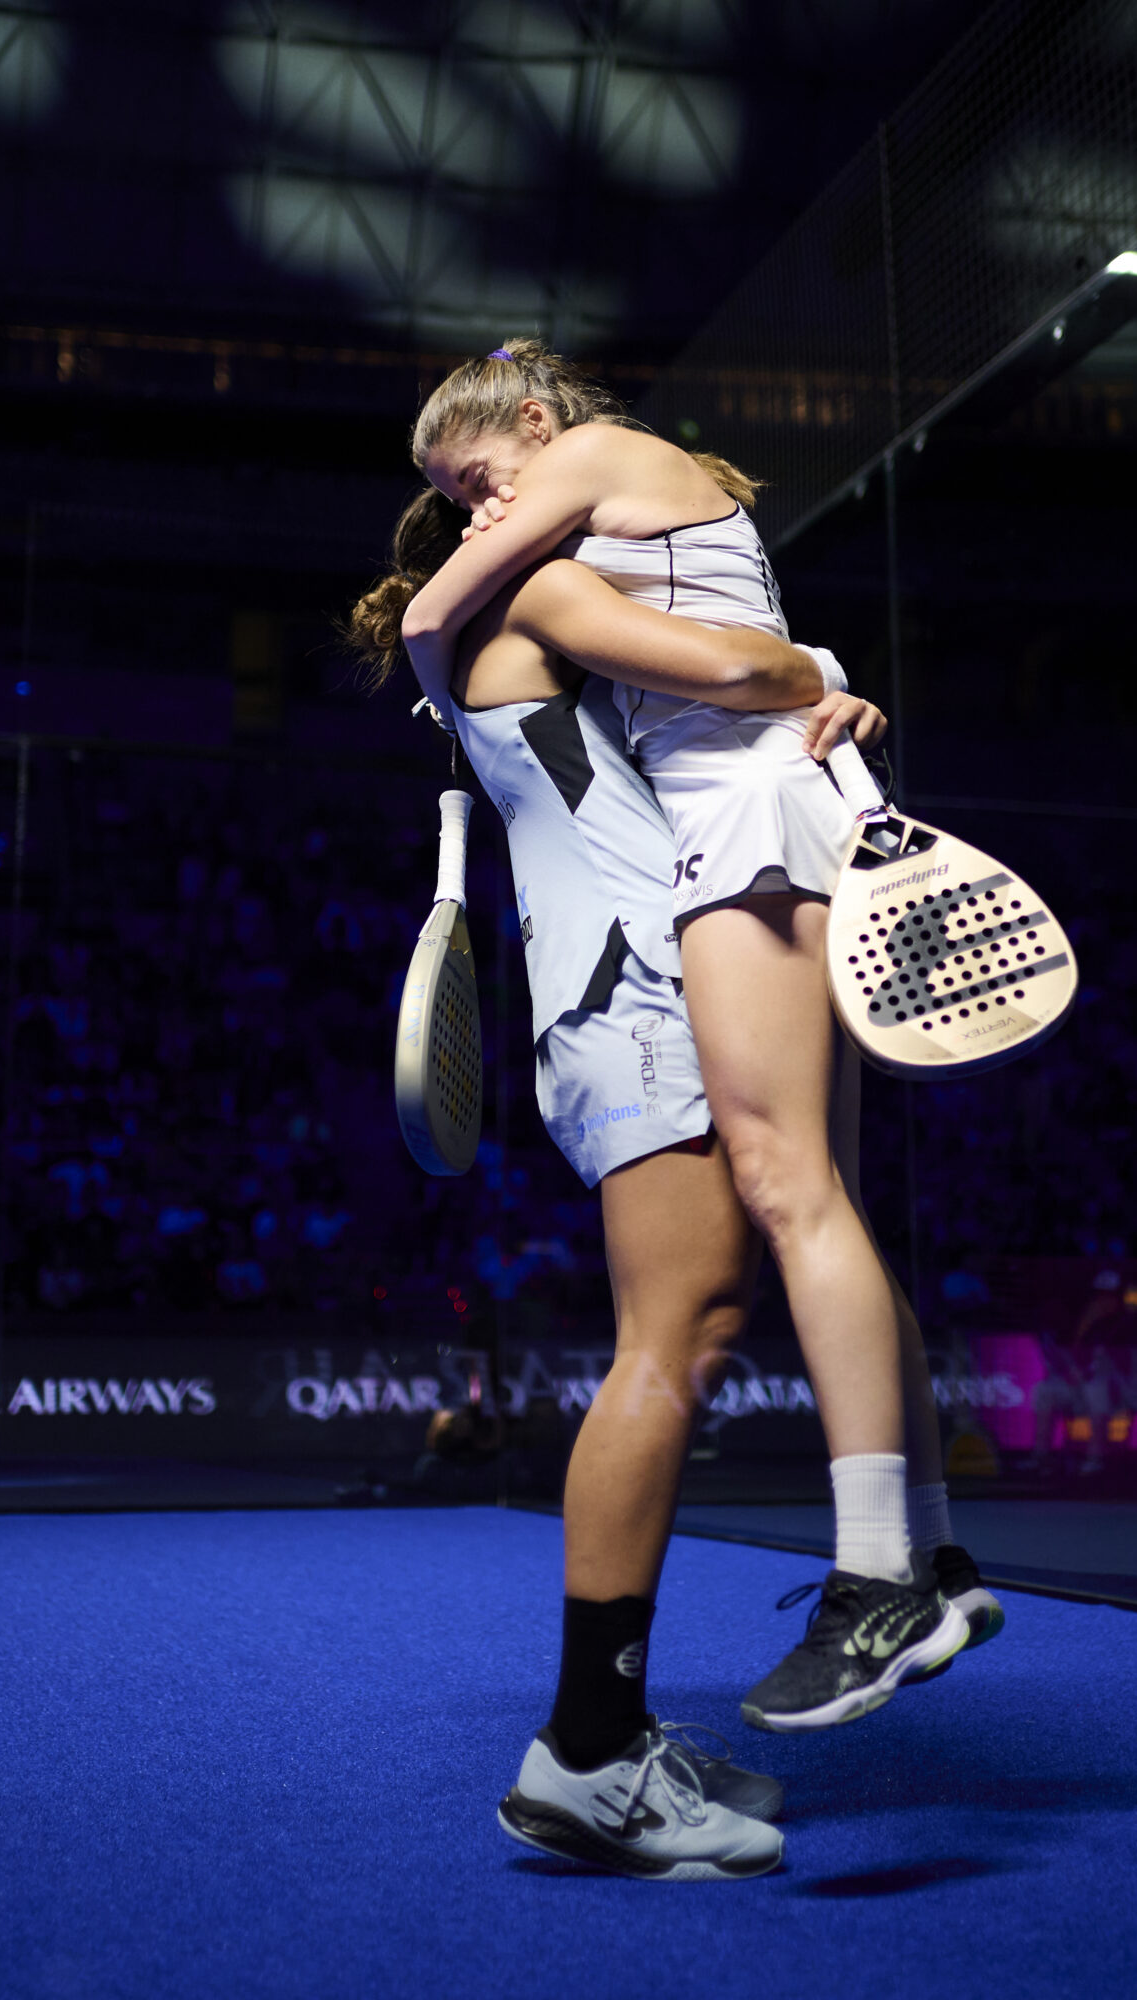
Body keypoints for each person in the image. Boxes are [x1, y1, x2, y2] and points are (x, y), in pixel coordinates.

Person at [350, 481, 997, 1880]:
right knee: (674, 1335)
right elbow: (737, 665)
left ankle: (616, 1731)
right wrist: (828, 685)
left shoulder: (511, 630)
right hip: (634, 1004)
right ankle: (587, 1756)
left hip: (644, 990)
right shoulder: (532, 601)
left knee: (695, 1323)